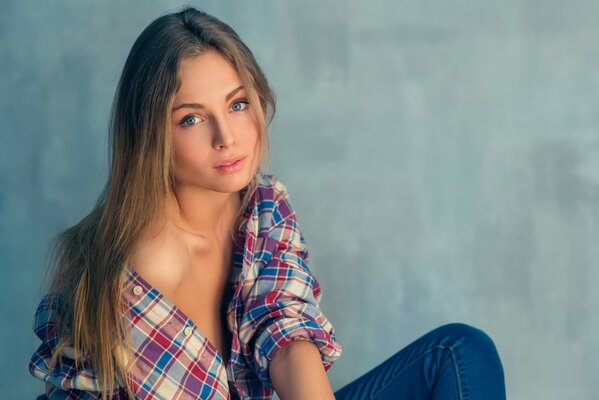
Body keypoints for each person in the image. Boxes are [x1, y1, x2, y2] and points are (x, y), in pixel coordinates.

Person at [28, 6, 506, 400]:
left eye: (237, 105)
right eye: (192, 119)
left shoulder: (261, 206)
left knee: (459, 354)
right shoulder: (133, 270)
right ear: (150, 136)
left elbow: (286, 333)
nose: (227, 137)